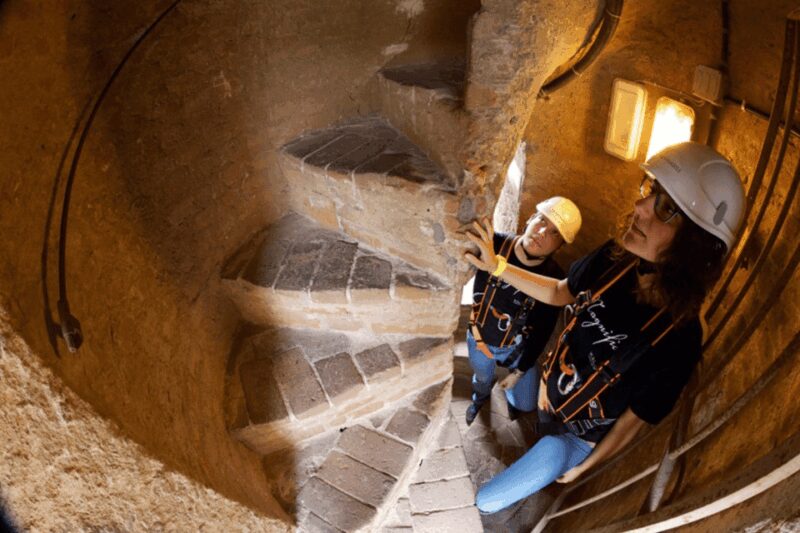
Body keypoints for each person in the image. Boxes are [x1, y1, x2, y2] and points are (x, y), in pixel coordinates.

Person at [464, 142, 746, 514]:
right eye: (651, 193)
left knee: (487, 501)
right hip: (553, 392)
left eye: (665, 208)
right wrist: (497, 266)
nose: (640, 206)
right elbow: (560, 291)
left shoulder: (680, 340)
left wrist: (587, 464)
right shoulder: (615, 260)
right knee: (525, 407)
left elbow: (635, 419)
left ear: (695, 245)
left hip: (578, 436)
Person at [465, 197, 582, 426]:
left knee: (526, 404)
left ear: (560, 246)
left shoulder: (554, 281)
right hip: (481, 339)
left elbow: (543, 330)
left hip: (516, 349)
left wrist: (519, 370)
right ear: (530, 218)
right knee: (482, 379)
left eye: (554, 232)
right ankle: (480, 397)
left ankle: (514, 402)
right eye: (541, 220)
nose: (541, 232)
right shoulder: (495, 245)